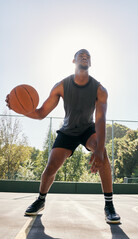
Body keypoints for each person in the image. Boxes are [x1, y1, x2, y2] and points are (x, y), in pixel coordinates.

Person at [6, 49, 120, 224]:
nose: (84, 57)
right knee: (50, 168)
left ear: (90, 63)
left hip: (87, 130)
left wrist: (98, 150)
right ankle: (41, 200)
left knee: (102, 152)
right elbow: (41, 113)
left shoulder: (99, 89)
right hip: (67, 131)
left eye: (88, 56)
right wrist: (18, 108)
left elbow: (100, 120)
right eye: (81, 55)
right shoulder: (61, 86)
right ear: (73, 61)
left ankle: (109, 206)